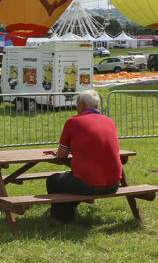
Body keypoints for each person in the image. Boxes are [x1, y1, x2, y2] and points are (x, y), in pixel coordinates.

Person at [45, 90, 122, 222]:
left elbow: (62, 155)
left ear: (81, 104)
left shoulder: (72, 122)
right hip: (114, 184)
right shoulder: (109, 121)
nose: (76, 106)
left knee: (53, 181)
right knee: (73, 180)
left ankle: (61, 215)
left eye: (77, 102)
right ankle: (66, 210)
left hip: (88, 184)